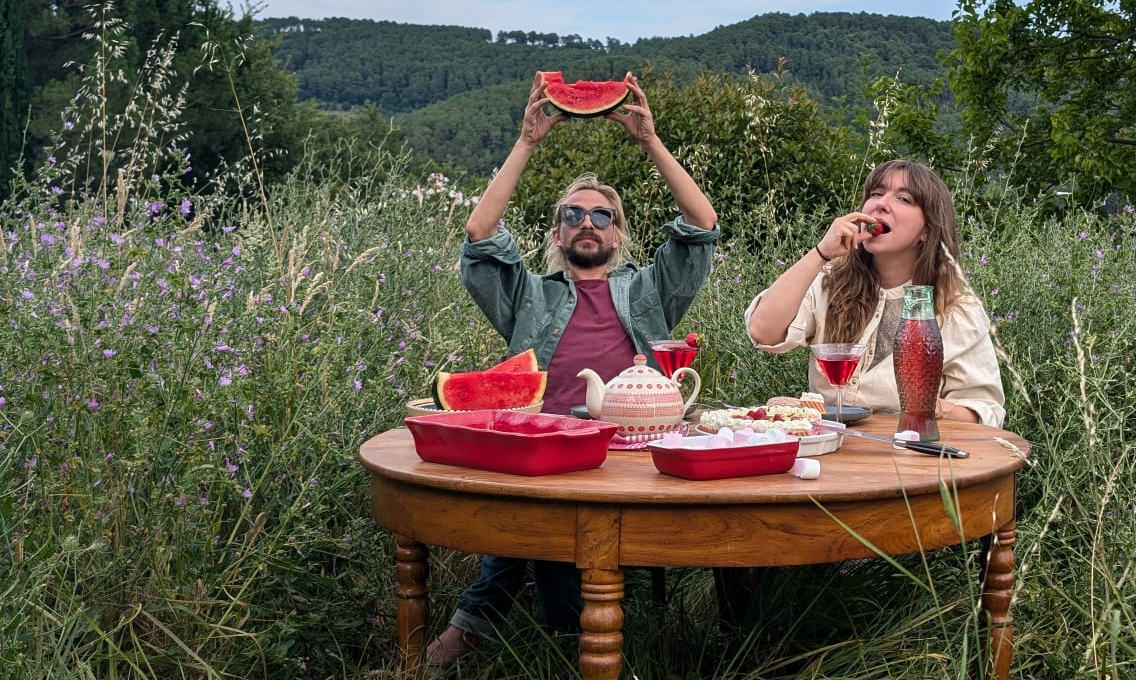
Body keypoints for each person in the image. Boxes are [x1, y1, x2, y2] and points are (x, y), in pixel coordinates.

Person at [428, 72, 719, 667]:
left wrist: (651, 142)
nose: (588, 222)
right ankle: (551, 633)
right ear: (557, 233)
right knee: (538, 544)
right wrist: (527, 142)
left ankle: (483, 626)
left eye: (602, 215)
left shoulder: (649, 292)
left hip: (629, 450)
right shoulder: (528, 293)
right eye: (573, 214)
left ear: (619, 234)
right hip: (544, 447)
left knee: (553, 574)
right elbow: (480, 235)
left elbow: (702, 225)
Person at [744, 159, 1005, 428]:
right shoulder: (830, 282)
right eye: (876, 193)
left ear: (926, 231)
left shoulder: (955, 307)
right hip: (829, 452)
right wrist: (822, 252)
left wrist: (931, 407)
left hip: (909, 458)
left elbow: (984, 411)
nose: (880, 203)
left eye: (903, 198)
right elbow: (763, 331)